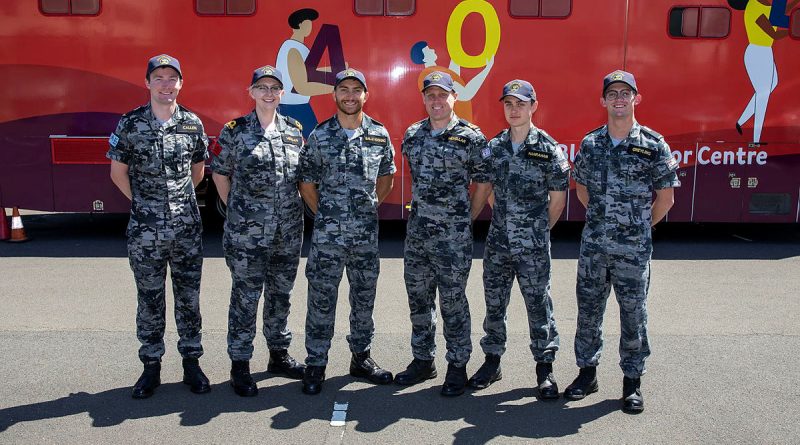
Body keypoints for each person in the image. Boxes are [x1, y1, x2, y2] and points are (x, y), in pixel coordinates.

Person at [564, 70, 680, 413]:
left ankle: (632, 382)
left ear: (636, 99)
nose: (618, 99)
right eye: (612, 93)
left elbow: (666, 198)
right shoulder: (591, 144)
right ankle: (587, 374)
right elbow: (582, 188)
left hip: (633, 251)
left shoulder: (653, 144)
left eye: (625, 93)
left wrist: (638, 227)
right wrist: (605, 220)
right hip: (594, 248)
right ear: (603, 100)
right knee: (588, 314)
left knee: (633, 317)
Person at [107, 54, 210, 399]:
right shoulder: (130, 123)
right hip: (145, 231)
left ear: (181, 83)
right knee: (149, 299)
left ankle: (191, 364)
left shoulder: (193, 124)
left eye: (172, 79)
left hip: (186, 229)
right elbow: (117, 172)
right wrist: (144, 205)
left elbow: (198, 172)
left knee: (188, 299)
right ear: (148, 82)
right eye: (159, 78)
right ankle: (150, 367)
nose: (166, 85)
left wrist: (177, 204)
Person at [468, 80, 569, 400]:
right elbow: (487, 193)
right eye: (509, 104)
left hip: (533, 247)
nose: (514, 110)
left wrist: (536, 230)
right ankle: (492, 362)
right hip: (498, 243)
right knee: (494, 306)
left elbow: (557, 201)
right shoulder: (493, 148)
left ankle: (545, 368)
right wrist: (508, 222)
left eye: (520, 104)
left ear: (533, 107)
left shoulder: (549, 149)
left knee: (539, 306)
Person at [298, 68, 396, 395]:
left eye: (356, 90)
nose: (350, 95)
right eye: (344, 89)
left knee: (363, 297)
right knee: (321, 299)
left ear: (366, 95)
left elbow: (386, 179)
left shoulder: (379, 135)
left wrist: (367, 207)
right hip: (327, 237)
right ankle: (316, 362)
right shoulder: (320, 135)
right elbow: (307, 183)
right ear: (334, 95)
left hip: (365, 236)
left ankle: (361, 357)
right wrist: (325, 213)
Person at [395, 71, 492, 397]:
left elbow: (483, 182)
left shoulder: (470, 137)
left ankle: (457, 364)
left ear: (454, 98)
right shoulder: (413, 134)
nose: (437, 101)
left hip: (453, 238)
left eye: (443, 95)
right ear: (424, 99)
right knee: (418, 301)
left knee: (452, 302)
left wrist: (467, 217)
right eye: (431, 95)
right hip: (418, 236)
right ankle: (423, 360)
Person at [211, 66, 306, 397]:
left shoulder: (294, 130)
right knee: (246, 297)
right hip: (247, 234)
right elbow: (220, 174)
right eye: (262, 87)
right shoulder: (236, 130)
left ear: (282, 94)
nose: (268, 93)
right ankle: (240, 364)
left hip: (288, 231)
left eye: (275, 88)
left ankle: (278, 354)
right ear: (250, 92)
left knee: (281, 295)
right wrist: (236, 211)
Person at [732, 0, 799, 143]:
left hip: (765, 51)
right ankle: (756, 140)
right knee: (763, 96)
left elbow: (779, 14)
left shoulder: (769, 5)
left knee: (771, 85)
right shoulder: (753, 7)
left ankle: (740, 121)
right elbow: (773, 34)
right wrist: (793, 29)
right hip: (757, 52)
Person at [276, 8, 335, 137]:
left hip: (297, 106)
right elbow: (301, 87)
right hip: (293, 108)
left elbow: (307, 74)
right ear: (299, 25)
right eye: (307, 23)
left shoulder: (299, 47)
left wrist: (335, 70)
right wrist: (335, 88)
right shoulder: (293, 49)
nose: (310, 27)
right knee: (317, 144)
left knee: (316, 144)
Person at [409, 41, 494, 123]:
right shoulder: (429, 75)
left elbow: (454, 76)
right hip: (457, 128)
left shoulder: (437, 71)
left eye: (442, 94)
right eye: (428, 50)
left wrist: (456, 54)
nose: (433, 50)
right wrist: (486, 70)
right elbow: (466, 94)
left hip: (459, 127)